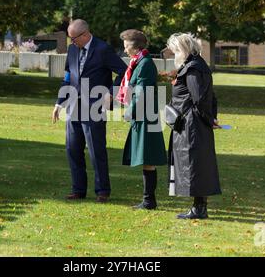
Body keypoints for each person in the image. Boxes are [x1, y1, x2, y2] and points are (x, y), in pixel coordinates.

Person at [52, 19, 127, 203]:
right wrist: (59, 103)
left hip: (94, 107)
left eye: (74, 38)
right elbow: (68, 77)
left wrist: (111, 93)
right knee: (72, 149)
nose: (72, 42)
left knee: (96, 150)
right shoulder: (72, 50)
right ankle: (78, 189)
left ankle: (102, 191)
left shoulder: (103, 49)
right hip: (72, 107)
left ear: (85, 34)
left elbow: (124, 72)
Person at [166, 33, 222, 219]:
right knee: (197, 163)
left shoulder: (192, 69)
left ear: (184, 50)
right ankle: (199, 207)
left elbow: (199, 98)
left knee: (194, 164)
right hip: (195, 122)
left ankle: (199, 208)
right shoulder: (198, 66)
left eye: (175, 51)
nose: (174, 55)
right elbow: (210, 97)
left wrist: (208, 119)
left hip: (192, 123)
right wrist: (212, 118)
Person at [118, 30, 167, 210]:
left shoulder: (145, 63)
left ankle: (149, 201)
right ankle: (148, 200)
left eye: (126, 47)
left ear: (135, 46)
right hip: (143, 115)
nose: (124, 51)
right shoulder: (139, 62)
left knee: (148, 158)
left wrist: (129, 111)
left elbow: (142, 92)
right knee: (146, 159)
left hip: (146, 116)